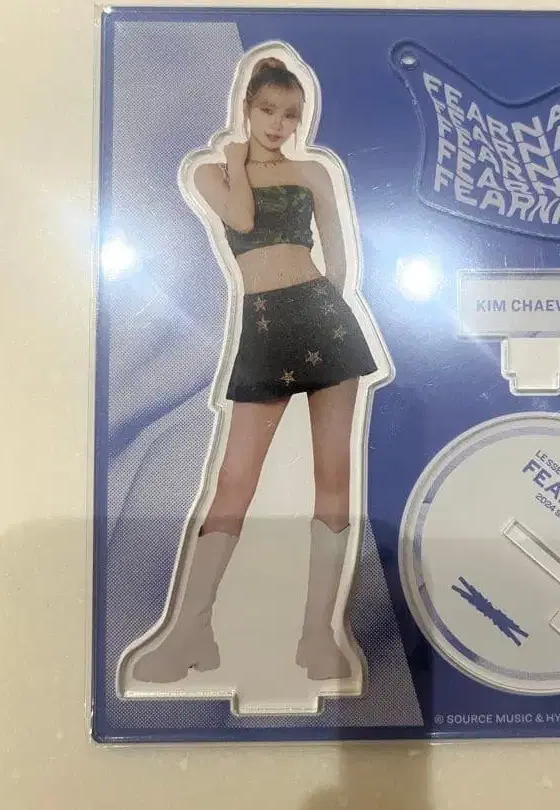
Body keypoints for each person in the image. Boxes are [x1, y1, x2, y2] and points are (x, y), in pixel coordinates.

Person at [130, 55, 377, 685]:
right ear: (246, 106)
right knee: (234, 479)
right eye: (267, 109)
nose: (278, 123)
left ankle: (319, 636)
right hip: (264, 328)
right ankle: (190, 631)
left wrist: (328, 310)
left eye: (290, 114)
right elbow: (241, 219)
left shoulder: (313, 171)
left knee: (334, 477)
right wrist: (238, 161)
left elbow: (338, 255)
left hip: (323, 321)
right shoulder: (211, 172)